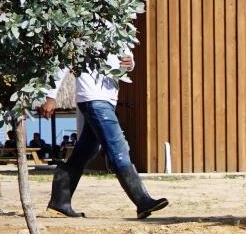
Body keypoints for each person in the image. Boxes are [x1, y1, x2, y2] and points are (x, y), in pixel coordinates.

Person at [39, 54, 168, 219]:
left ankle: (60, 202)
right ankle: (142, 201)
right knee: (117, 148)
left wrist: (131, 64)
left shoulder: (119, 29)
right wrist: (51, 96)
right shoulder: (85, 30)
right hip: (93, 97)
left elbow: (125, 63)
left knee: (85, 151)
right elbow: (63, 61)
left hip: (108, 99)